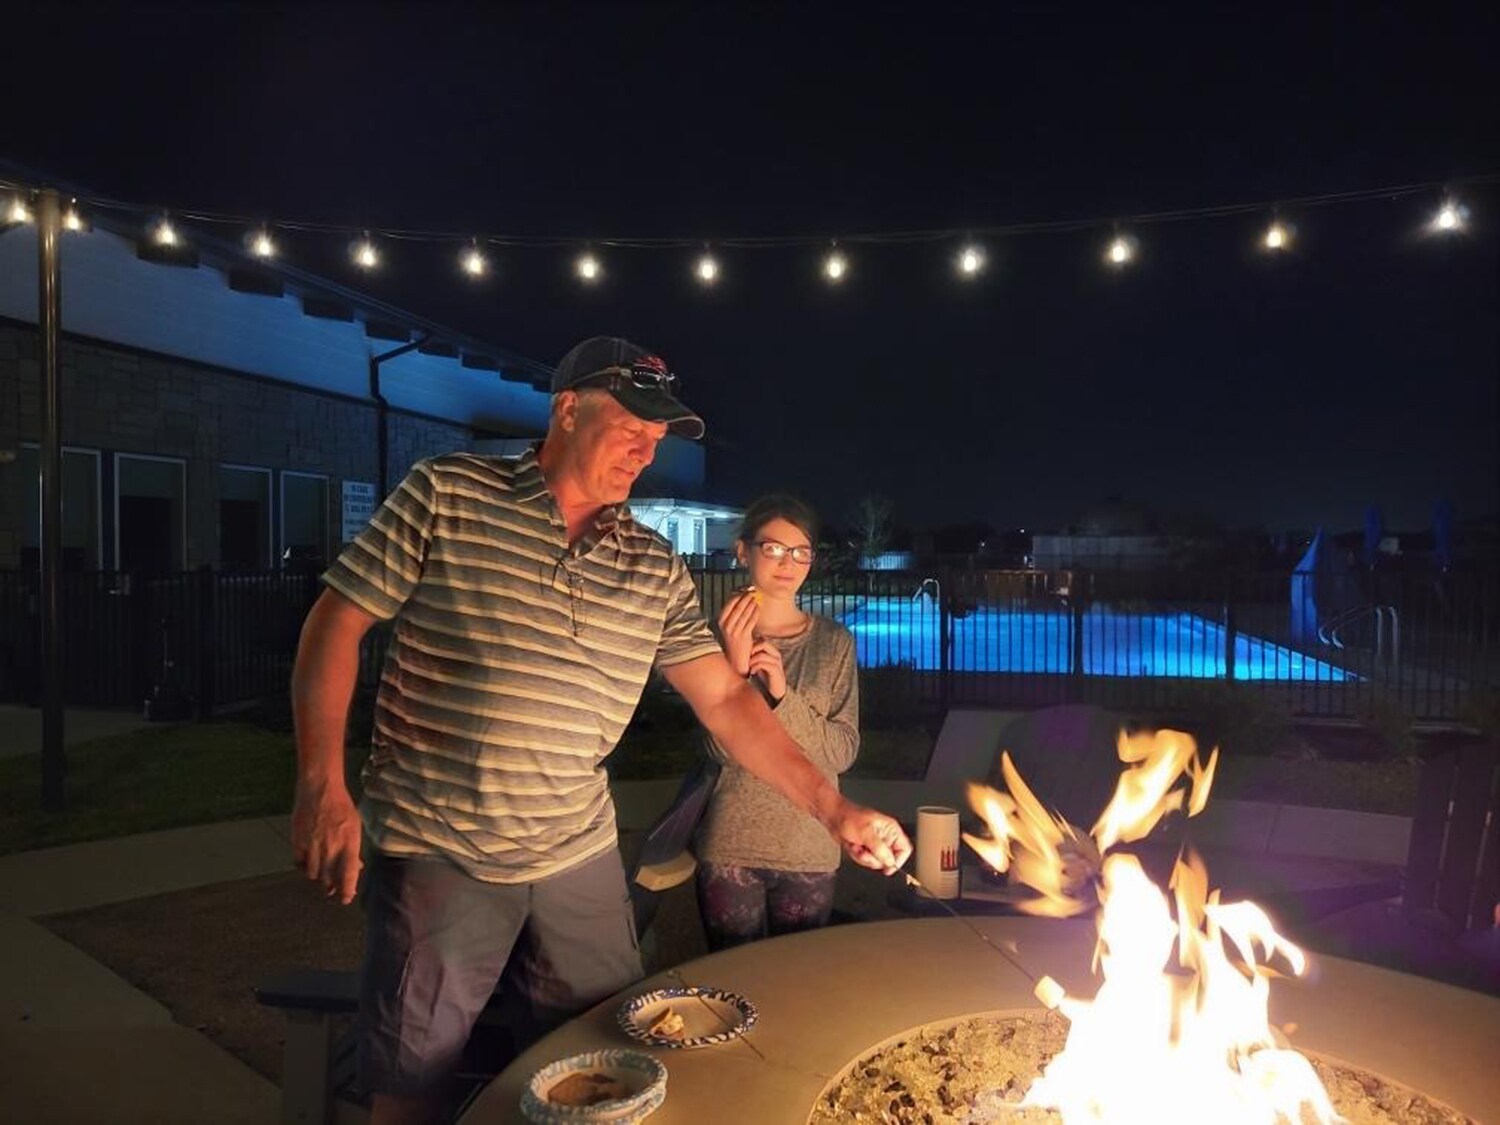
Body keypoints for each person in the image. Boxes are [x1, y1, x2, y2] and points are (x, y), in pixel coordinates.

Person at [289, 336, 912, 1125]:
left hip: (574, 852)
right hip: (441, 845)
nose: (646, 452)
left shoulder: (652, 566)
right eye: (631, 427)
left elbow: (727, 700)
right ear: (567, 408)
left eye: (657, 437)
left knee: (612, 1065)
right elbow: (337, 620)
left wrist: (834, 808)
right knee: (414, 1083)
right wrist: (322, 783)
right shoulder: (448, 492)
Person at [694, 494, 860, 950]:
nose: (788, 563)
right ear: (743, 551)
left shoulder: (834, 643)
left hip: (809, 846)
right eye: (774, 548)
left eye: (801, 552)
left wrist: (783, 697)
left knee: (799, 983)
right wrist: (735, 665)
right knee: (731, 981)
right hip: (731, 845)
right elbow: (718, 752)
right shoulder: (710, 640)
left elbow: (842, 752)